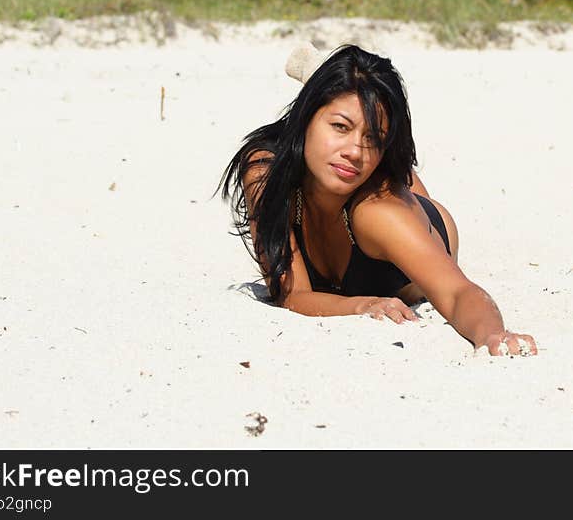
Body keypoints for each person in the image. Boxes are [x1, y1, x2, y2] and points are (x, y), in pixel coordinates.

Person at [217, 44, 537, 357]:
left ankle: (356, 114)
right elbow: (293, 295)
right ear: (305, 120)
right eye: (339, 126)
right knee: (360, 128)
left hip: (416, 219)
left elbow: (456, 292)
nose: (355, 150)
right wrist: (360, 305)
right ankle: (333, 88)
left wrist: (492, 334)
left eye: (373, 139)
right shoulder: (264, 169)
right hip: (335, 170)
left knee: (393, 177)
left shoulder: (379, 214)